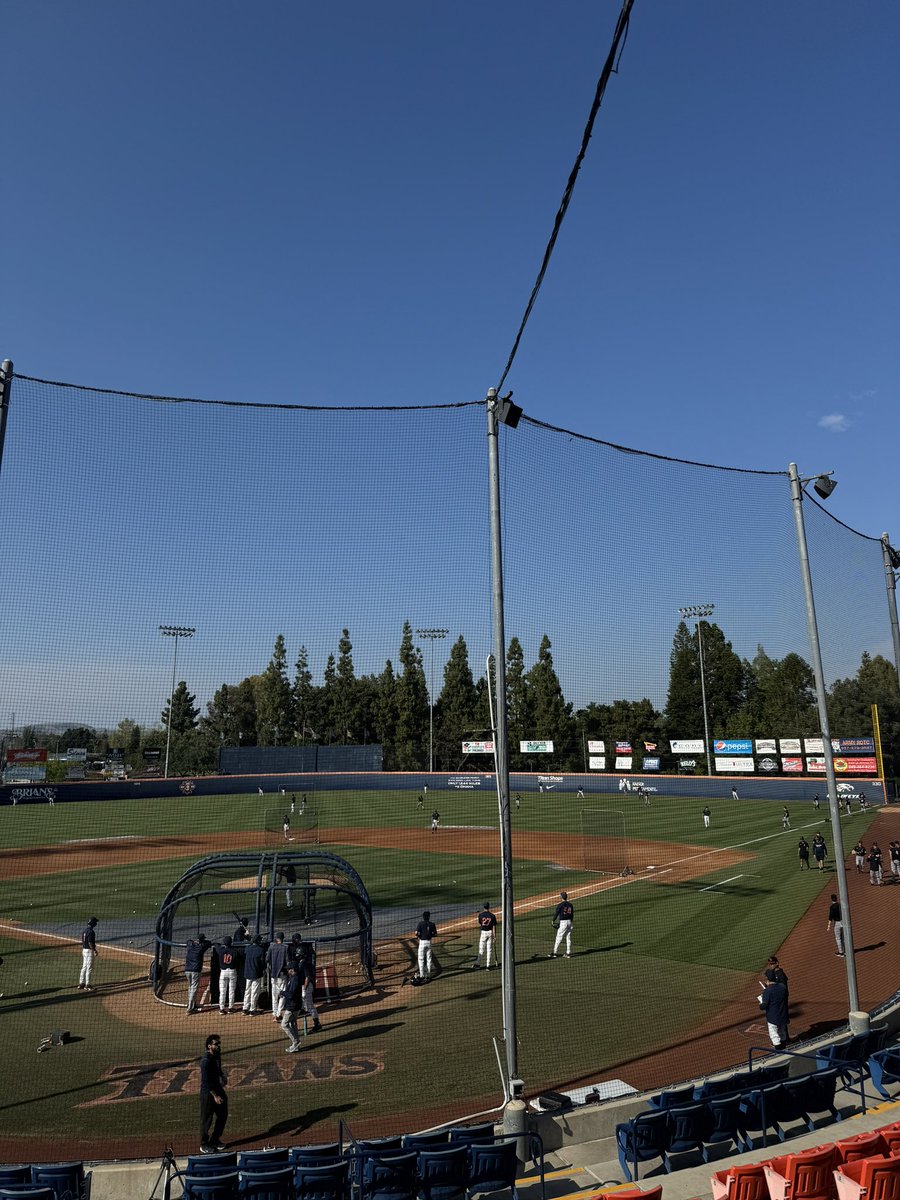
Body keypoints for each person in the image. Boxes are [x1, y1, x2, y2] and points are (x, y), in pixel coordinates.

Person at [199, 1034, 228, 1153]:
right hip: (208, 1092)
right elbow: (205, 1082)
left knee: (223, 1114)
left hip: (217, 1088)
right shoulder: (205, 1061)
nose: (218, 1046)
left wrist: (222, 1076)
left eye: (219, 1044)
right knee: (207, 1118)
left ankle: (215, 1139)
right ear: (209, 1046)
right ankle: (203, 1143)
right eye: (216, 1044)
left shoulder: (217, 1055)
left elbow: (218, 1068)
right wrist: (215, 1096)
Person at [296, 942, 321, 1031]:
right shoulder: (302, 962)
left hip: (306, 987)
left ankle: (317, 1024)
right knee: (302, 1006)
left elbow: (307, 977)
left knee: (310, 1006)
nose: (296, 955)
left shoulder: (305, 964)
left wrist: (304, 989)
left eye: (298, 954)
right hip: (303, 986)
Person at [759, 976, 790, 1049]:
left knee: (774, 1034)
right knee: (782, 1031)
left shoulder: (767, 991)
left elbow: (763, 1006)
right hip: (783, 1014)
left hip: (773, 1016)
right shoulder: (783, 987)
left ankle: (779, 1049)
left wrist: (761, 1003)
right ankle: (784, 1046)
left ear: (767, 981)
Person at [281, 963, 305, 1052]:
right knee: (292, 1023)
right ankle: (296, 1045)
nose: (287, 971)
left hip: (292, 1007)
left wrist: (282, 993)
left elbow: (291, 994)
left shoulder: (295, 979)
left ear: (292, 970)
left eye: (289, 969)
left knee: (284, 1024)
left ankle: (296, 1042)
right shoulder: (294, 978)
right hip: (296, 1005)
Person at [184, 934, 210, 1014]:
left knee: (190, 987)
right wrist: (202, 942)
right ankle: (190, 1009)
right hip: (195, 970)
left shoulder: (190, 945)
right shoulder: (201, 947)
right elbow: (209, 943)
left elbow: (188, 941)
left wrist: (195, 941)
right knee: (194, 989)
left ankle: (191, 1004)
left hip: (187, 970)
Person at [267, 931, 289, 1023]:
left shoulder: (271, 947)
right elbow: (287, 961)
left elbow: (267, 959)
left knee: (274, 995)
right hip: (282, 975)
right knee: (283, 995)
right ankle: (279, 1014)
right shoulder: (285, 948)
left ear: (276, 939)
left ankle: (274, 1013)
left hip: (273, 975)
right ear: (283, 939)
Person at [242, 935, 266, 1014]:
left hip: (248, 972)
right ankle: (252, 1009)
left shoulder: (247, 948)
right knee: (254, 992)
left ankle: (245, 1008)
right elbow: (263, 963)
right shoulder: (260, 950)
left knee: (247, 991)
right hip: (256, 973)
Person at [216, 937, 238, 1014]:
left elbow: (216, 946)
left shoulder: (221, 950)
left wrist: (217, 944)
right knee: (231, 991)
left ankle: (221, 1009)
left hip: (223, 972)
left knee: (222, 991)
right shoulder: (234, 951)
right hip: (232, 971)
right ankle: (230, 1008)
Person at [550, 891, 574, 958]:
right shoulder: (570, 905)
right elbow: (572, 915)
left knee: (559, 937)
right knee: (568, 937)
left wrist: (553, 920)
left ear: (561, 897)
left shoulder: (560, 905)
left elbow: (556, 914)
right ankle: (568, 953)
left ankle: (554, 953)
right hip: (570, 922)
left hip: (563, 923)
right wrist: (570, 922)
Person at [473, 902, 497, 969]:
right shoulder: (492, 916)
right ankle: (488, 966)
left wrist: (480, 915)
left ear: (483, 907)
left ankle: (477, 964)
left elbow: (480, 923)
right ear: (489, 907)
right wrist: (494, 937)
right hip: (490, 933)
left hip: (483, 933)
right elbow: (494, 927)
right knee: (489, 950)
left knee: (481, 950)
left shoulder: (480, 915)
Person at [78, 916, 99, 991]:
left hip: (84, 950)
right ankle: (88, 985)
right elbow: (90, 942)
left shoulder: (84, 931)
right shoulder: (91, 932)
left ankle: (81, 983)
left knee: (84, 967)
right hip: (89, 951)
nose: (96, 923)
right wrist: (94, 950)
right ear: (93, 923)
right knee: (89, 968)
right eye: (95, 922)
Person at [416, 910, 437, 980]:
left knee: (421, 958)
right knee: (429, 958)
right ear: (429, 917)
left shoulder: (420, 924)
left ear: (423, 917)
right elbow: (435, 934)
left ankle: (422, 975)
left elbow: (416, 933)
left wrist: (419, 936)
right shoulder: (432, 924)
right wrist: (430, 934)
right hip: (429, 943)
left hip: (422, 942)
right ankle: (429, 974)